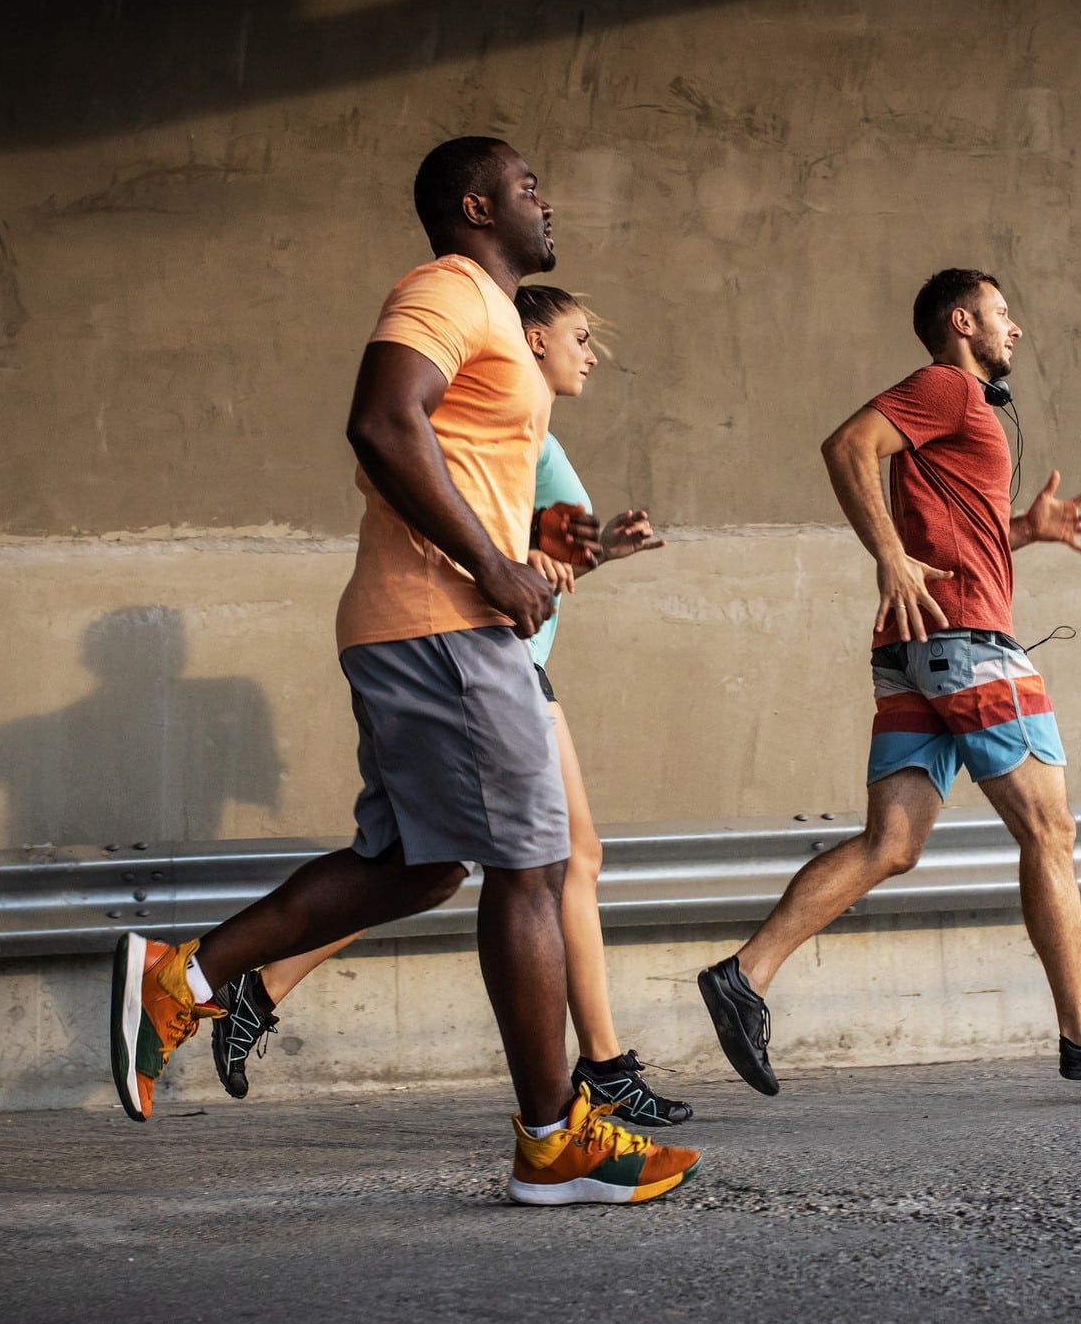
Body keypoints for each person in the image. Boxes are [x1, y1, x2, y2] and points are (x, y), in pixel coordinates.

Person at [110, 135, 700, 1207]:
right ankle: (552, 1136)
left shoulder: (494, 331)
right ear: (475, 205)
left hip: (425, 624)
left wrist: (555, 550)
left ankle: (184, 976)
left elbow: (463, 469)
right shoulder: (448, 289)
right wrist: (488, 567)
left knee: (419, 866)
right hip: (445, 630)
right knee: (531, 866)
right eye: (528, 186)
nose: (546, 197)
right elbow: (380, 420)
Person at [697, 268, 1081, 1094]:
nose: (1017, 329)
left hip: (917, 646)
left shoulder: (958, 409)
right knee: (1051, 831)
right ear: (963, 321)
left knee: (891, 843)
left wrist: (1024, 531)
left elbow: (952, 522)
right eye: (1004, 314)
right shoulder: (949, 387)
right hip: (966, 641)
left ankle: (744, 976)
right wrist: (890, 555)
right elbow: (847, 446)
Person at [210, 284, 692, 1129]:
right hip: (482, 659)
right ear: (528, 337)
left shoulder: (525, 425)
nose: (591, 353)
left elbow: (537, 555)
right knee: (549, 861)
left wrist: (595, 547)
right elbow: (492, 549)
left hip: (495, 657)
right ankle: (590, 1082)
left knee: (437, 865)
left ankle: (244, 979)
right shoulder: (502, 409)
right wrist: (549, 563)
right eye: (578, 335)